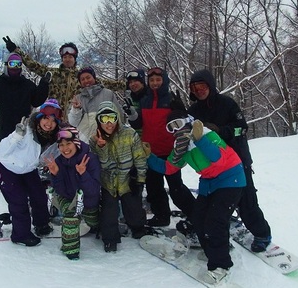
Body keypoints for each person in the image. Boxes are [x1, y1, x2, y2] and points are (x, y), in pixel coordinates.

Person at [146, 111, 246, 285]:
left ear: (187, 121)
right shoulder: (181, 145)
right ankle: (212, 252)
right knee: (198, 219)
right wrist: (149, 156)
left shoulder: (207, 133)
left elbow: (218, 159)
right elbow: (169, 168)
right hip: (209, 183)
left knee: (215, 221)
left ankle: (221, 265)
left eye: (177, 124)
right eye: (171, 128)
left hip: (231, 179)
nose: (175, 130)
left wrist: (200, 140)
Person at [187, 69, 272, 252]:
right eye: (195, 88)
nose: (199, 90)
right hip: (213, 165)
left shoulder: (227, 104)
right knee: (210, 202)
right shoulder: (193, 110)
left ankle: (262, 233)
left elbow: (242, 128)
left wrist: (221, 131)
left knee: (246, 201)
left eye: (202, 86)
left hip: (238, 161)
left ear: (210, 85)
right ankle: (211, 233)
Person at [128, 66, 195, 226]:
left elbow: (184, 123)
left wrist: (181, 110)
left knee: (176, 188)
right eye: (151, 80)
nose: (155, 83)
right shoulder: (145, 100)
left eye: (158, 80)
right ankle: (161, 216)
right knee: (154, 189)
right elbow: (138, 123)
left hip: (171, 152)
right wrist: (131, 114)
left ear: (164, 80)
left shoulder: (171, 99)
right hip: (151, 152)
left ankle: (195, 214)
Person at [0, 99, 63, 246]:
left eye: (53, 120)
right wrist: (16, 137)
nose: (48, 123)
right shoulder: (25, 131)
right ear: (39, 118)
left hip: (28, 169)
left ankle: (41, 224)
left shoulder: (52, 138)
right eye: (45, 118)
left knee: (39, 195)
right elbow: (0, 152)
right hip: (8, 168)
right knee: (19, 201)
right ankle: (21, 234)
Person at [3, 36, 125, 120]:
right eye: (65, 57)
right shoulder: (52, 73)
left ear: (75, 59)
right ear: (62, 59)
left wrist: (127, 84)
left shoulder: (82, 78)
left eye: (70, 57)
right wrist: (15, 50)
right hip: (54, 118)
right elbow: (33, 65)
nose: (67, 59)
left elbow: (107, 84)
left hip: (74, 119)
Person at [89, 101, 148, 253]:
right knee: (109, 212)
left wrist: (140, 179)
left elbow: (140, 157)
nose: (109, 123)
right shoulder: (94, 140)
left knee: (134, 209)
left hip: (128, 180)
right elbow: (103, 165)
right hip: (108, 182)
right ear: (98, 121)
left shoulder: (130, 134)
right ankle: (110, 238)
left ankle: (138, 227)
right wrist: (102, 147)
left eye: (112, 118)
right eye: (104, 119)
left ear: (117, 118)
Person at [44, 125, 101, 261]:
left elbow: (93, 191)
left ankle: (96, 225)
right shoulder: (58, 162)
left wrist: (83, 174)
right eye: (61, 145)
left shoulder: (90, 159)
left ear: (76, 143)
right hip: (68, 198)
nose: (65, 149)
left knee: (95, 221)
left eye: (68, 143)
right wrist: (56, 174)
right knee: (70, 217)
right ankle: (71, 251)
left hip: (87, 199)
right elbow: (60, 191)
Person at [0, 51, 50, 140]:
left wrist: (44, 84)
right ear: (6, 65)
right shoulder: (0, 84)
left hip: (24, 129)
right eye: (12, 64)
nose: (15, 67)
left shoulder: (27, 84)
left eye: (18, 64)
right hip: (6, 131)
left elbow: (36, 101)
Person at [68, 66, 123, 143]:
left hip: (107, 141)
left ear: (94, 78)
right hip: (85, 142)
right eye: (82, 79)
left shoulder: (108, 94)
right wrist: (76, 109)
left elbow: (119, 117)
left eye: (88, 77)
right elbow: (73, 123)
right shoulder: (77, 98)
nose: (86, 81)